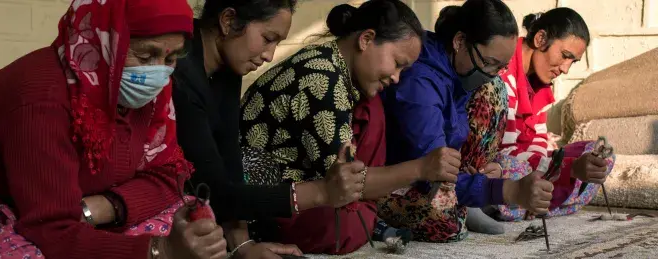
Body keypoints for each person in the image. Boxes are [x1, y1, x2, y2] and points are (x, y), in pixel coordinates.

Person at [0, 0, 228, 258]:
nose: (158, 73)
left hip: (80, 208)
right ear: (103, 42)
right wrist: (158, 251)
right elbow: (52, 230)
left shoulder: (151, 94)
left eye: (170, 58)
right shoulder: (40, 97)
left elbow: (169, 175)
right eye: (144, 56)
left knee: (192, 220)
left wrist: (103, 208)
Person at [238, 0, 461, 254]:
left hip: (311, 187)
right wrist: (421, 167)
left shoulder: (339, 70)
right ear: (366, 39)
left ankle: (366, 211)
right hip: (265, 206)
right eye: (397, 63)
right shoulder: (321, 80)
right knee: (344, 228)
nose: (396, 77)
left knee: (372, 107)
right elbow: (344, 182)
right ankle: (366, 213)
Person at [378, 0, 553, 242]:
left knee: (495, 91)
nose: (492, 73)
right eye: (489, 63)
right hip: (394, 177)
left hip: (435, 169)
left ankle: (468, 196)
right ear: (459, 42)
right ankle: (464, 197)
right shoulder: (421, 82)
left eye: (501, 67)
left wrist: (480, 178)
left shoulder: (459, 70)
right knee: (446, 225)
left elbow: (451, 140)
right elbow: (432, 169)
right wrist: (508, 190)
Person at [172, 1, 307, 258]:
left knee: (259, 168)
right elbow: (212, 185)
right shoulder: (179, 64)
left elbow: (228, 151)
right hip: (170, 181)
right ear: (228, 21)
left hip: (206, 181)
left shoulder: (227, 64)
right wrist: (321, 192)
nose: (270, 54)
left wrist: (242, 245)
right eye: (268, 38)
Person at [493, 8, 615, 221]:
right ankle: (531, 202)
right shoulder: (502, 73)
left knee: (598, 155)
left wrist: (557, 169)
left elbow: (539, 140)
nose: (566, 69)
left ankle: (533, 203)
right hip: (500, 163)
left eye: (573, 61)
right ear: (540, 39)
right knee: (506, 169)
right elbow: (506, 151)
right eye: (565, 56)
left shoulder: (542, 84)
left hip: (528, 165)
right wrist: (567, 169)